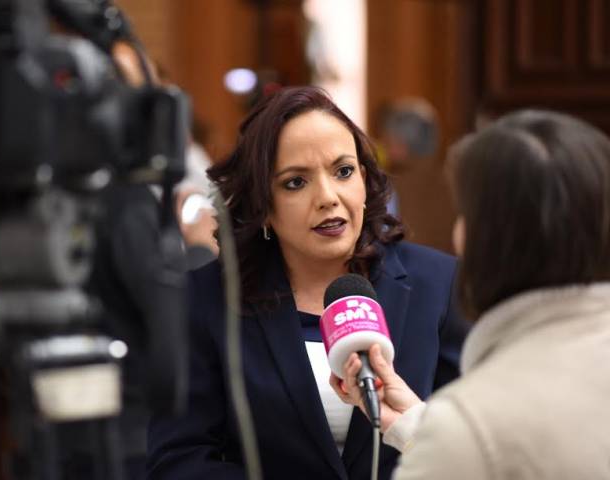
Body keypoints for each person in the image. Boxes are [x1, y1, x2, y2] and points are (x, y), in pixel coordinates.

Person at [146, 86, 468, 479]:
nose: (328, 197)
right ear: (263, 205)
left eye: (343, 171)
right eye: (296, 182)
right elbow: (178, 460)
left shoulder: (439, 284)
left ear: (365, 179)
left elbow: (477, 441)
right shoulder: (206, 298)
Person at [332, 110, 610, 479]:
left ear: (486, 242)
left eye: (464, 215)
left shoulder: (470, 425)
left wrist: (449, 434)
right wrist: (414, 422)